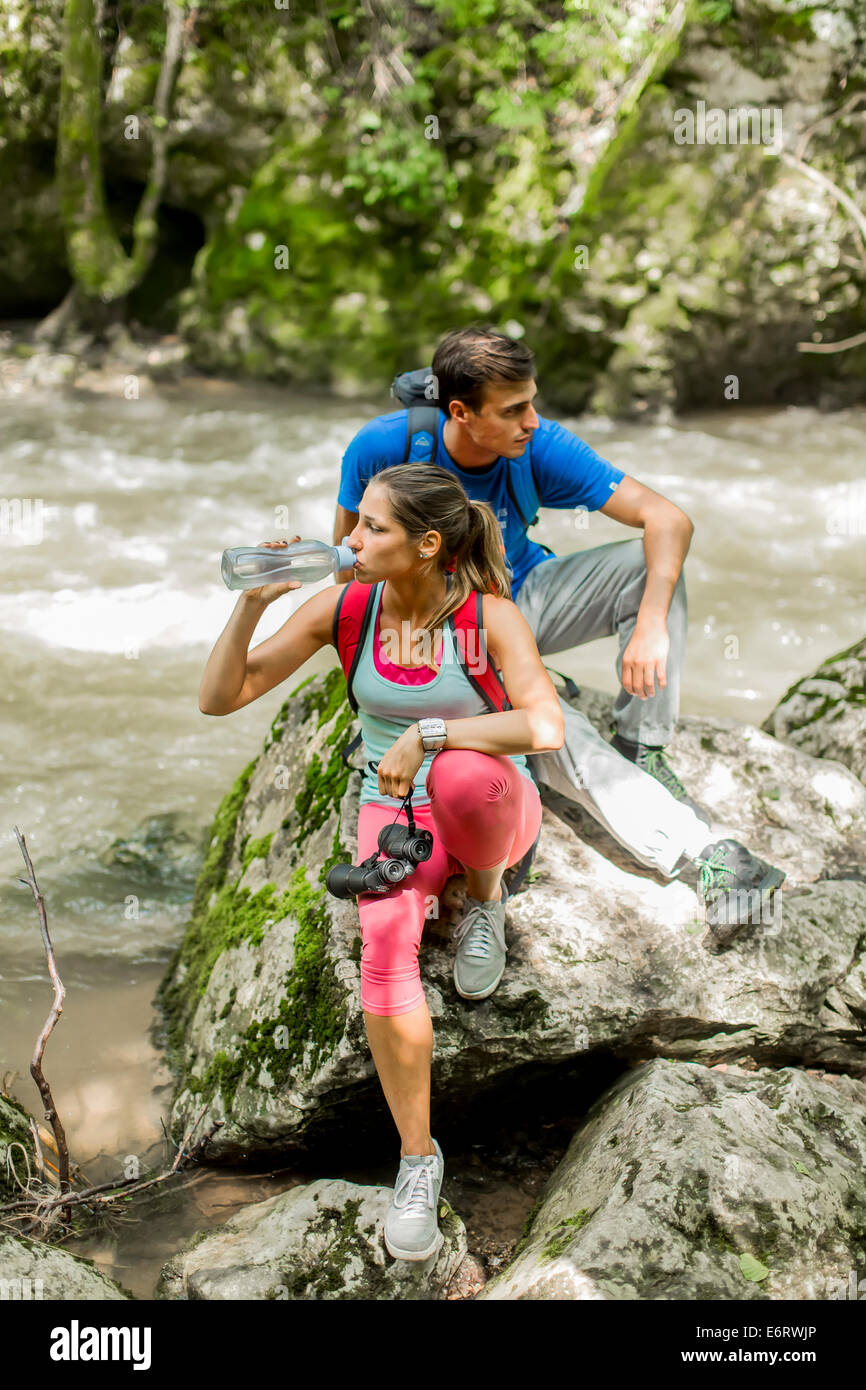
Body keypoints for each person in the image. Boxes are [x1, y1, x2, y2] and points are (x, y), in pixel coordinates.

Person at [198, 462, 564, 1263]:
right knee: (385, 949)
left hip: (487, 802)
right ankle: (417, 1160)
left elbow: (545, 727)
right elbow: (221, 696)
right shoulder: (348, 606)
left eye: (372, 528)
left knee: (464, 776)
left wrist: (433, 734)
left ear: (428, 545)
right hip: (390, 815)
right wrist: (250, 604)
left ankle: (487, 899)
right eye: (355, 523)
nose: (349, 539)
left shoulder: (489, 617)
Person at [332, 323, 786, 927]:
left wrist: (651, 623)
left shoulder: (537, 446)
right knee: (552, 727)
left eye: (533, 401)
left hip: (516, 603)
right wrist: (407, 684)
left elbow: (667, 519)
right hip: (441, 632)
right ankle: (693, 850)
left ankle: (642, 744)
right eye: (515, 408)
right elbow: (347, 566)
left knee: (641, 565)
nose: (533, 420)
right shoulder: (380, 449)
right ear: (461, 412)